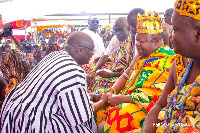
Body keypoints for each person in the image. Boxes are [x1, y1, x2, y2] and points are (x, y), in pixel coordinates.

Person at [0, 31, 109, 133]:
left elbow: (58, 94)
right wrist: (103, 102)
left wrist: (93, 97)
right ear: (80, 50)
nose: (93, 54)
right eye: (92, 50)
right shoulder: (72, 70)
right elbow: (78, 116)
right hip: (30, 121)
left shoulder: (54, 56)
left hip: (15, 114)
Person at [97, 11, 175, 133]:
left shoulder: (169, 59)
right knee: (99, 95)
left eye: (141, 41)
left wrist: (123, 98)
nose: (137, 44)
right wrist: (112, 90)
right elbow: (125, 75)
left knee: (119, 114)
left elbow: (157, 97)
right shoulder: (140, 56)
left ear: (155, 40)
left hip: (149, 108)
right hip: (129, 95)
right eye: (136, 39)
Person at [141, 0, 200, 132]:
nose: (170, 35)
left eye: (175, 29)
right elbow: (160, 104)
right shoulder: (179, 64)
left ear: (198, 33)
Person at [87, 17, 134, 91]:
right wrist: (93, 71)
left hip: (128, 77)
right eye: (115, 30)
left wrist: (111, 75)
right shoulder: (116, 38)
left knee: (98, 86)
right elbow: (106, 54)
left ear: (128, 28)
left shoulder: (134, 40)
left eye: (121, 29)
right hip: (116, 73)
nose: (117, 33)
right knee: (92, 81)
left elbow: (133, 70)